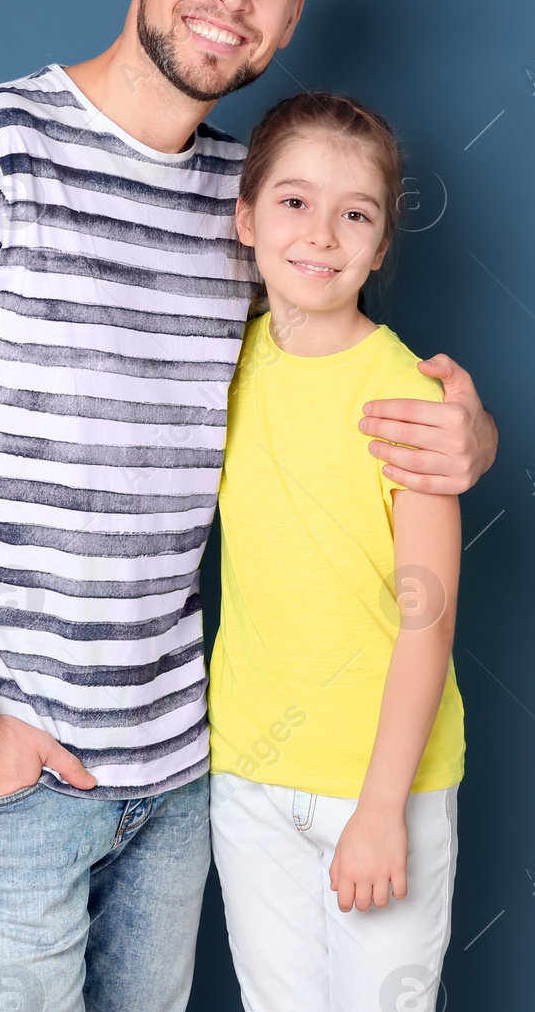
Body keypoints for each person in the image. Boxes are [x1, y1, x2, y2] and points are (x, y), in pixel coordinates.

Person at [0, 0, 496, 1012]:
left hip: (178, 780)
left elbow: (323, 381)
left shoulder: (246, 209)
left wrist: (461, 437)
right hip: (3, 781)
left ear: (289, 19)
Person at [208, 92, 463, 1012]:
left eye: (355, 213)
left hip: (383, 784)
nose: (321, 233)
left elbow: (426, 622)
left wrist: (383, 808)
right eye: (293, 202)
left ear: (382, 244)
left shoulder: (409, 401)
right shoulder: (220, 368)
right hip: (248, 775)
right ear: (244, 216)